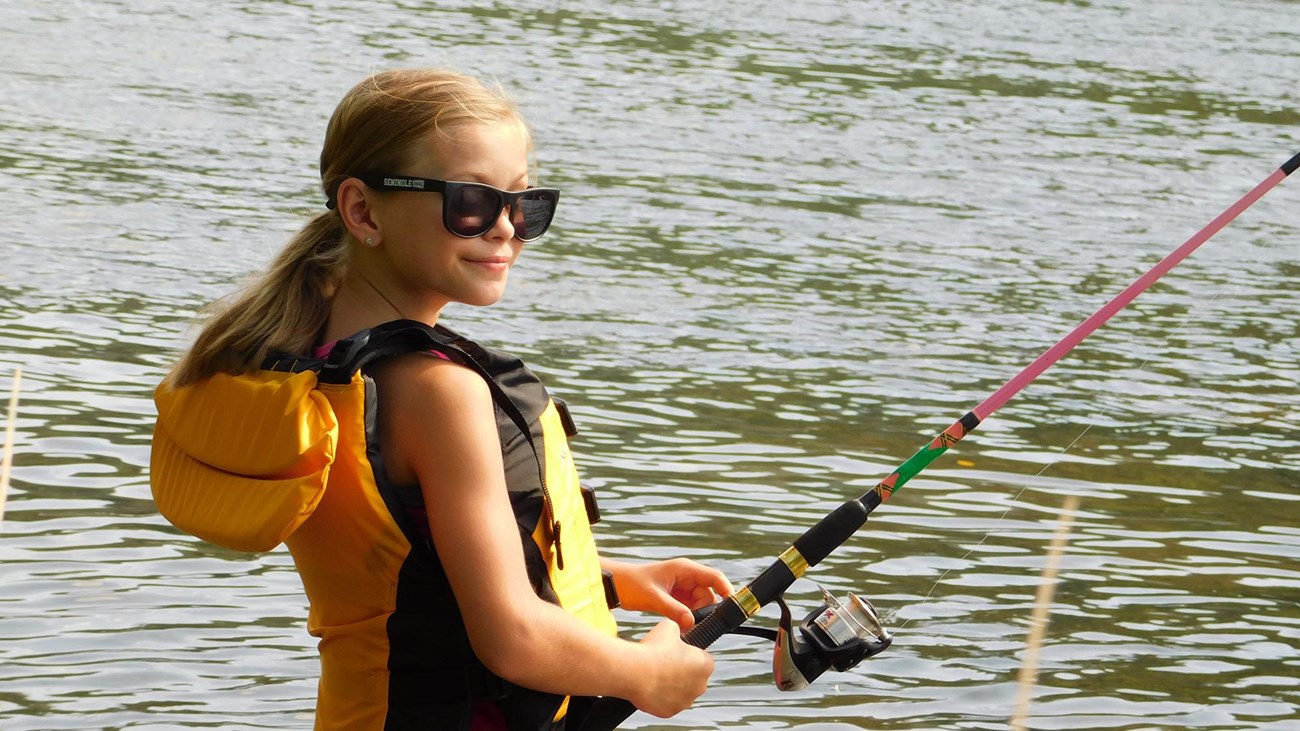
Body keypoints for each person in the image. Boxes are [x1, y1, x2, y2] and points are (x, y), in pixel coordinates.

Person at [150, 68, 733, 731]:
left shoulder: (306, 353)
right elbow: (510, 635)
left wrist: (612, 581)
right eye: (471, 202)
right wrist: (646, 674)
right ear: (364, 210)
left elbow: (404, 567)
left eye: (524, 203)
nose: (507, 229)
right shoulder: (439, 393)